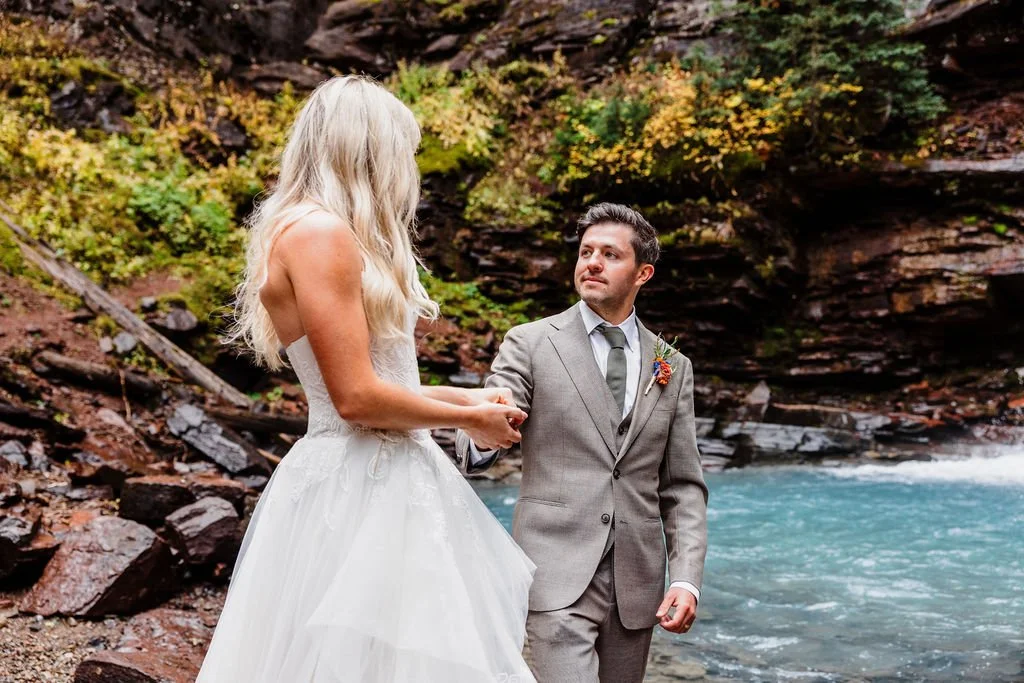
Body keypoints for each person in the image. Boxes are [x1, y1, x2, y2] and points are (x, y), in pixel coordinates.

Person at [195, 75, 536, 682]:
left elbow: (374, 382)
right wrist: (468, 419)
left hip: (372, 475)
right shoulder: (319, 233)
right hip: (362, 486)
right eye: (403, 151)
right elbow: (354, 401)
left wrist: (464, 395)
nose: (410, 168)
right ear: (368, 151)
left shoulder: (312, 230)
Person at [455, 203, 709, 683]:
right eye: (586, 251)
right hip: (554, 575)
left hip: (637, 587)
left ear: (643, 273)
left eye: (610, 254)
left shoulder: (672, 364)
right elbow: (480, 433)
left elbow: (683, 486)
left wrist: (685, 578)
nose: (591, 262)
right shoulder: (529, 343)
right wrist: (484, 432)